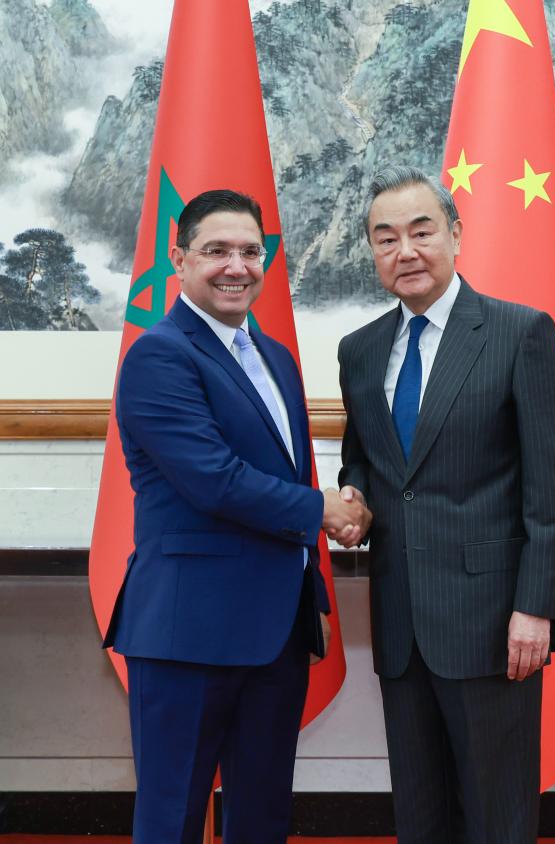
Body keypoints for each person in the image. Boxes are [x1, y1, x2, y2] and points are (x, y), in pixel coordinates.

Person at [102, 189, 368, 844]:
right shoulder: (159, 354)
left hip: (276, 633)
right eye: (216, 250)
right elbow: (213, 480)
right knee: (172, 818)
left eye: (251, 251)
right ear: (179, 258)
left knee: (263, 816)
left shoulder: (275, 358)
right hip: (187, 633)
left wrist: (313, 598)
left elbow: (288, 476)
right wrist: (326, 510)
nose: (236, 266)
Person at [337, 166, 555, 843]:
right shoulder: (360, 351)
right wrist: (352, 492)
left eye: (422, 232)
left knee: (496, 814)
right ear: (373, 252)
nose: (405, 251)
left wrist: (536, 608)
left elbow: (551, 490)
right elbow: (366, 456)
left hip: (492, 621)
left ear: (456, 235)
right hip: (400, 617)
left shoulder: (519, 333)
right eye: (386, 239)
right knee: (420, 814)